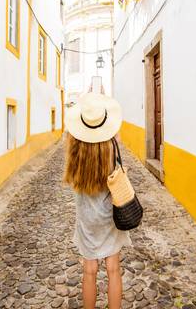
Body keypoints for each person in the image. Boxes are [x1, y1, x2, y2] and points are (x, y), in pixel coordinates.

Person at [64, 92, 131, 309]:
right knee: (113, 269)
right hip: (110, 214)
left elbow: (72, 179)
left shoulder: (75, 147)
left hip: (86, 217)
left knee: (89, 271)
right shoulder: (112, 145)